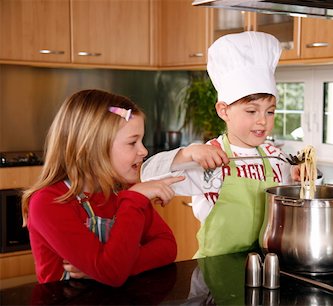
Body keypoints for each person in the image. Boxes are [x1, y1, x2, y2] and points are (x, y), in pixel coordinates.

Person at [141, 31, 302, 258]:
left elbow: (301, 195)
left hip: (265, 265)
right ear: (223, 110)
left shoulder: (275, 157)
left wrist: (299, 177)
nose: (262, 121)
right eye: (251, 111)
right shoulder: (209, 158)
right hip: (215, 270)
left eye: (270, 111)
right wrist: (187, 153)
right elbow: (145, 175)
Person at [21, 89, 184, 287]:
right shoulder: (48, 203)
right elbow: (111, 272)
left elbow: (167, 247)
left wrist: (114, 267)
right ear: (93, 147)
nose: (144, 150)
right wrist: (133, 200)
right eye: (132, 142)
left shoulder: (126, 190)